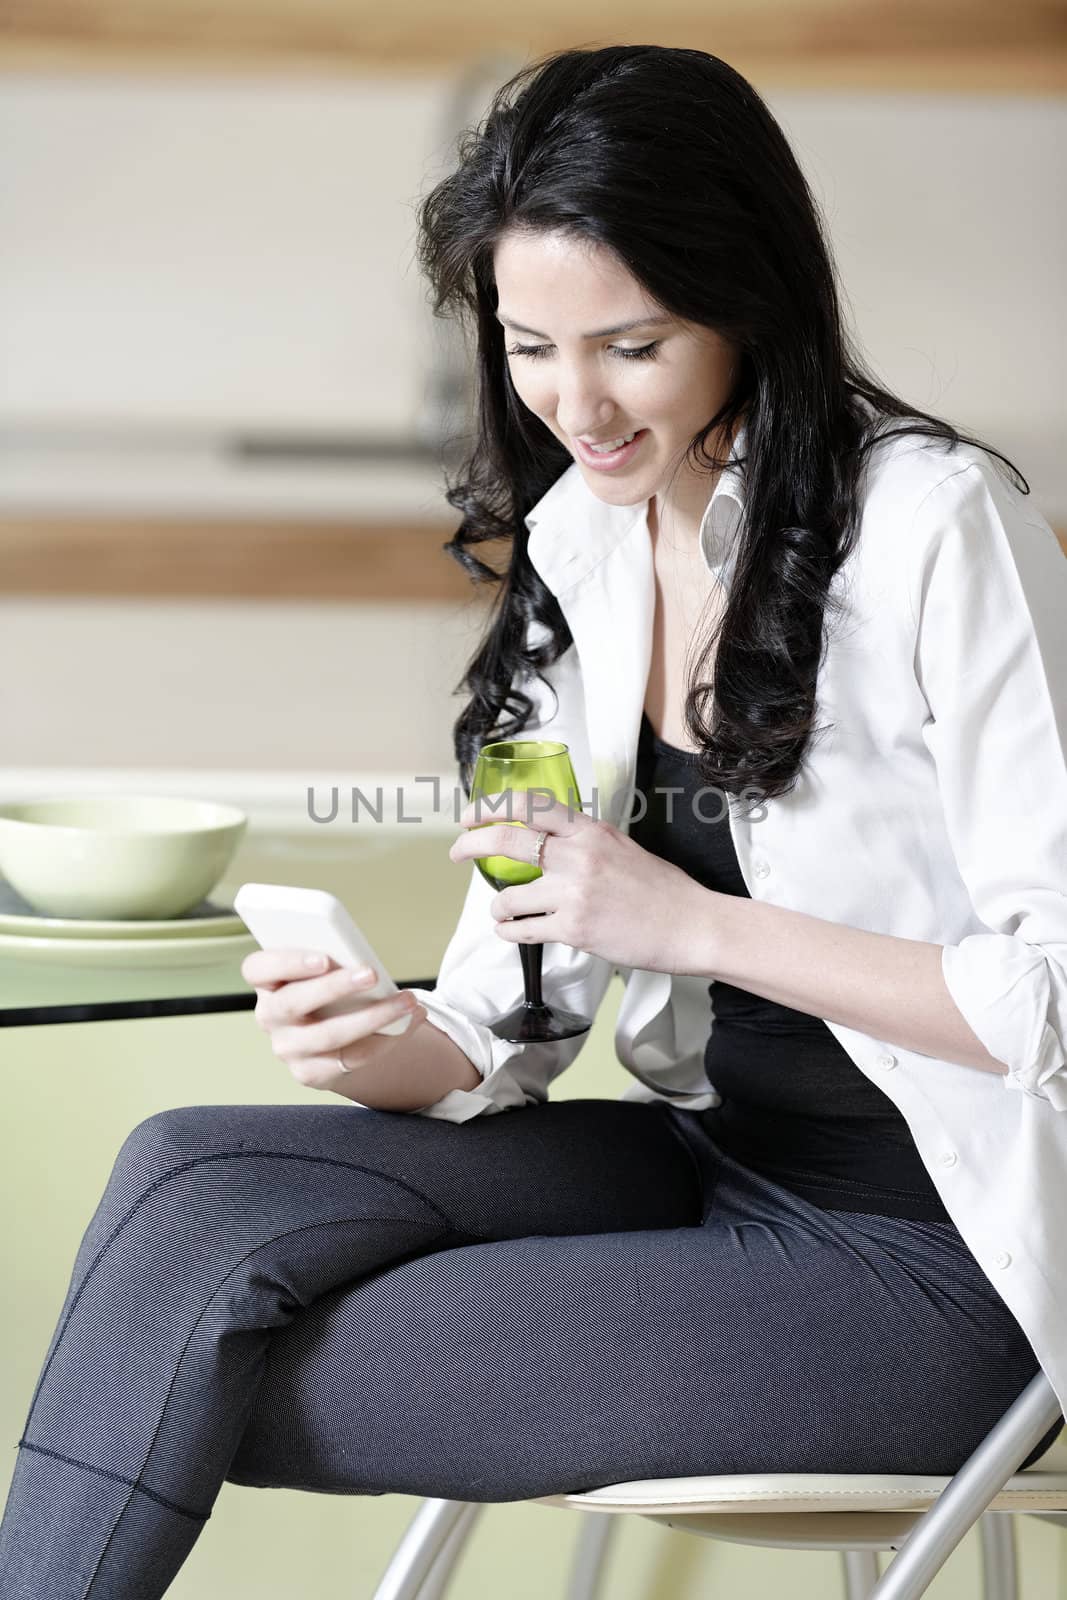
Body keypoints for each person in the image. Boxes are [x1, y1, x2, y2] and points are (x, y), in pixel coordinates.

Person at [2, 44, 1065, 1597]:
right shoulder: (585, 537)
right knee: (189, 1186)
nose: (576, 402)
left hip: (945, 1254)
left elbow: (1055, 994)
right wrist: (397, 1043)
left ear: (745, 302)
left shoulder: (935, 527)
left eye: (633, 344)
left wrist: (689, 923)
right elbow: (517, 1023)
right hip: (719, 1163)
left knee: (182, 1354)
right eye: (531, 345)